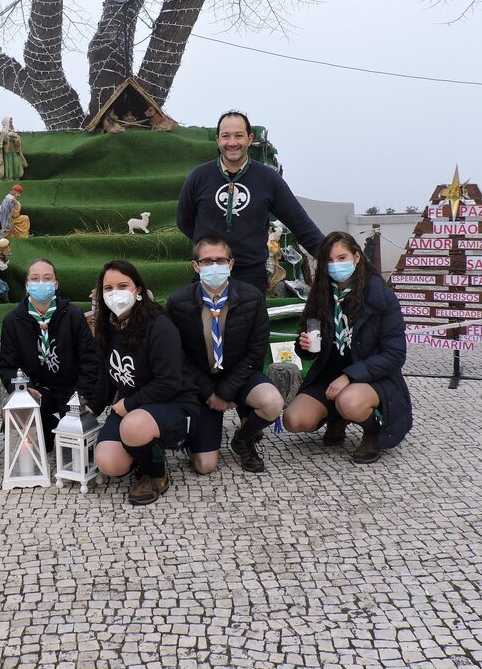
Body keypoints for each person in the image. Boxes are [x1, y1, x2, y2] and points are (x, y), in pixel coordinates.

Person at [283, 231, 413, 463]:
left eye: (342, 258)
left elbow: (395, 355)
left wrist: (349, 377)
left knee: (349, 401)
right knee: (294, 419)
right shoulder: (322, 294)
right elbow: (308, 345)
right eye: (329, 261)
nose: (336, 265)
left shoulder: (380, 295)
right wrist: (304, 347)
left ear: (357, 257)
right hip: (329, 376)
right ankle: (337, 418)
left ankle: (373, 432)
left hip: (373, 378)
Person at [166, 235, 283, 474]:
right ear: (196, 266)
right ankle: (196, 433)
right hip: (200, 383)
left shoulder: (252, 298)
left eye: (220, 260)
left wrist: (225, 391)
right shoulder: (178, 302)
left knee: (272, 403)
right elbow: (178, 356)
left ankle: (243, 439)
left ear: (231, 264)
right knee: (204, 466)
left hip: (240, 376)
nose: (214, 266)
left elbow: (255, 351)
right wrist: (210, 393)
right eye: (207, 261)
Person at [89, 260, 201, 506]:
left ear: (137, 290)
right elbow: (107, 374)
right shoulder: (107, 326)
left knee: (133, 427)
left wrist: (127, 404)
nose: (115, 293)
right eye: (108, 288)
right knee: (109, 463)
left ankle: (156, 473)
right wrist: (92, 408)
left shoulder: (160, 326)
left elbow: (169, 383)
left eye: (123, 285)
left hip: (175, 403)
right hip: (134, 406)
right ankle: (142, 454)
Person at [177, 111, 323, 294]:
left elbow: (301, 224)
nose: (232, 143)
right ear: (217, 140)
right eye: (225, 136)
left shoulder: (268, 179)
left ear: (249, 138)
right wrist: (209, 247)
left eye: (239, 135)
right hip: (208, 271)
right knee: (205, 321)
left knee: (249, 322)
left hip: (251, 276)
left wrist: (334, 257)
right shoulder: (199, 177)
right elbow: (184, 221)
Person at [0, 257, 99, 449]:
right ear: (27, 284)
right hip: (38, 389)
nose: (41, 283)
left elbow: (89, 360)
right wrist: (24, 388)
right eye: (35, 278)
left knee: (76, 447)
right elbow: (9, 366)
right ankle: (48, 426)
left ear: (56, 284)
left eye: (47, 278)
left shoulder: (73, 315)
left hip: (70, 389)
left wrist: (80, 394)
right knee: (39, 442)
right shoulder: (13, 320)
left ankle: (65, 428)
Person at [0, 116, 28, 181]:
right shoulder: (3, 132)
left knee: (17, 164)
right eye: (10, 122)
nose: (11, 123)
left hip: (15, 151)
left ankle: (17, 177)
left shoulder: (13, 131)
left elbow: (18, 141)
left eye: (11, 122)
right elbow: (1, 142)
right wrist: (8, 137)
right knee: (9, 165)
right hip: (8, 152)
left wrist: (15, 138)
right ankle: (9, 178)